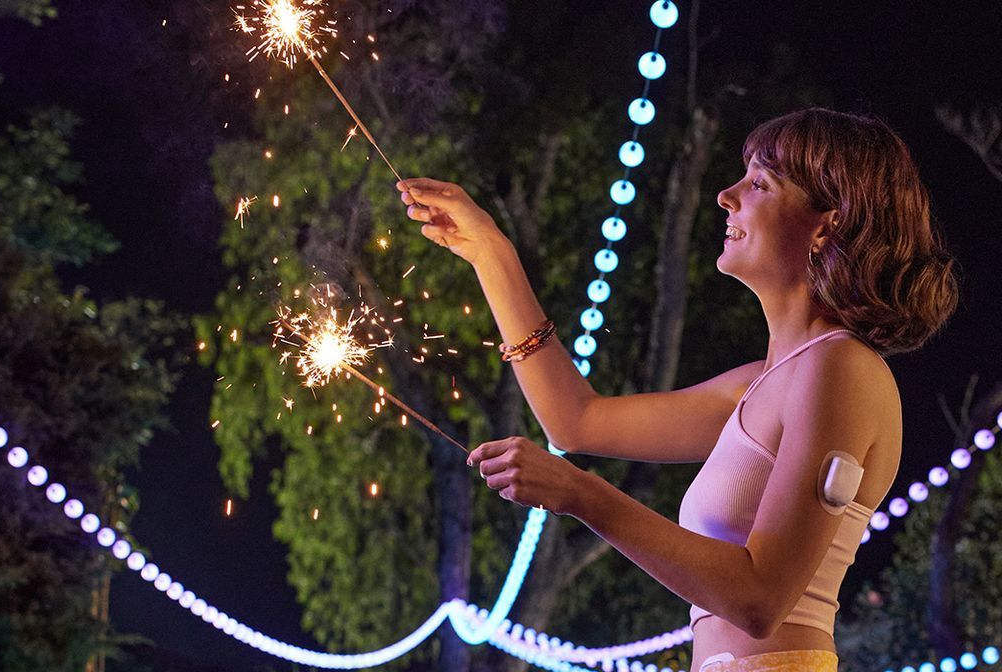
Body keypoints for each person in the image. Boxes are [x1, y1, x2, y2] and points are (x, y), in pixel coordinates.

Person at [397, 108, 958, 672]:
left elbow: (760, 600)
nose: (725, 195)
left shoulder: (841, 369)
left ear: (826, 225)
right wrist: (491, 254)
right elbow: (574, 421)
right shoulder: (758, 385)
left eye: (760, 183)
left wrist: (582, 495)